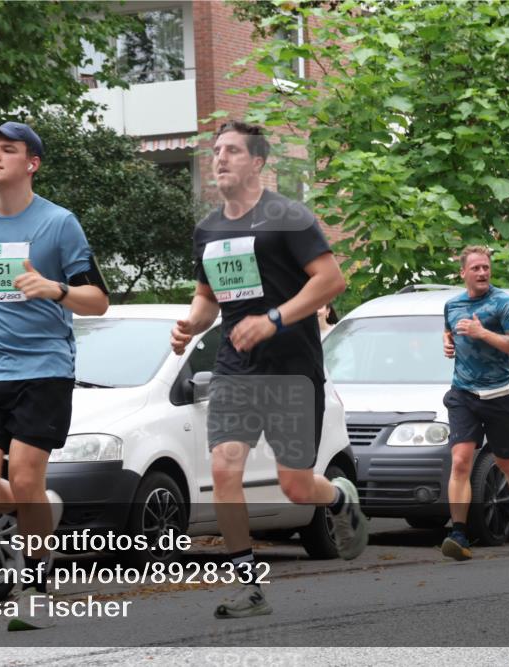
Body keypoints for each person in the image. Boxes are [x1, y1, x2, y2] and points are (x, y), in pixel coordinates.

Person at [170, 121, 368, 618]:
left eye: (232, 151)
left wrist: (274, 319)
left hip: (292, 371)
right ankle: (248, 584)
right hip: (236, 369)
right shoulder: (209, 229)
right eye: (216, 151)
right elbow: (207, 298)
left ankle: (339, 497)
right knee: (223, 468)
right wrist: (190, 324)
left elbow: (331, 280)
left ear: (257, 162)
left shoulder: (289, 217)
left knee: (297, 485)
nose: (220, 159)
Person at [0, 121, 109, 630]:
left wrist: (53, 288)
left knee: (27, 476)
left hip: (45, 368)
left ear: (31, 164)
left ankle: (34, 584)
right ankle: (39, 513)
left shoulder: (58, 224)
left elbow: (97, 301)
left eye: (8, 150)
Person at [440, 246, 509, 561]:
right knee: (460, 461)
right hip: (463, 394)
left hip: (499, 394)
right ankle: (458, 533)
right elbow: (450, 329)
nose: (483, 273)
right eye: (476, 269)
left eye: (486, 267)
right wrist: (447, 342)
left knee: (505, 462)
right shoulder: (452, 304)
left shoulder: (504, 304)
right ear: (463, 273)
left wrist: (482, 332)